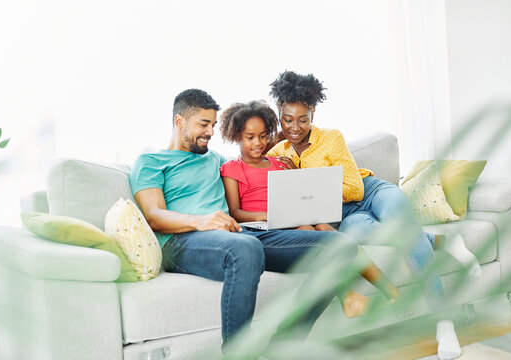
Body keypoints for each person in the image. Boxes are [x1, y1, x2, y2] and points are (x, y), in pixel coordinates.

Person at [266, 71, 477, 360]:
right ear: (279, 114)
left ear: (313, 113)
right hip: (345, 218)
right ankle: (440, 241)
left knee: (403, 231)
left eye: (303, 118)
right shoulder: (278, 154)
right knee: (353, 240)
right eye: (288, 118)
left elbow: (353, 188)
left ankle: (443, 322)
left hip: (372, 192)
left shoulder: (331, 137)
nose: (295, 126)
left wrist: (313, 186)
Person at [128, 88, 360, 348]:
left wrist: (279, 153)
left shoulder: (215, 159)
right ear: (179, 121)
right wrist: (202, 221)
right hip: (182, 241)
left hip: (236, 235)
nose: (210, 132)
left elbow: (252, 156)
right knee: (246, 247)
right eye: (203, 124)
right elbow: (154, 216)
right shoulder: (151, 161)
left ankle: (283, 346)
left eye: (213, 125)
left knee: (341, 245)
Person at [219, 99, 401, 305]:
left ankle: (389, 290)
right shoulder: (232, 168)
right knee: (310, 230)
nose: (258, 143)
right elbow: (234, 211)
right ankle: (347, 296)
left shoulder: (277, 161)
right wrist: (265, 215)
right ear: (236, 136)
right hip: (264, 225)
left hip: (291, 217)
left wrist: (295, 173)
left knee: (326, 229)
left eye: (262, 136)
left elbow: (298, 191)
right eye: (250, 137)